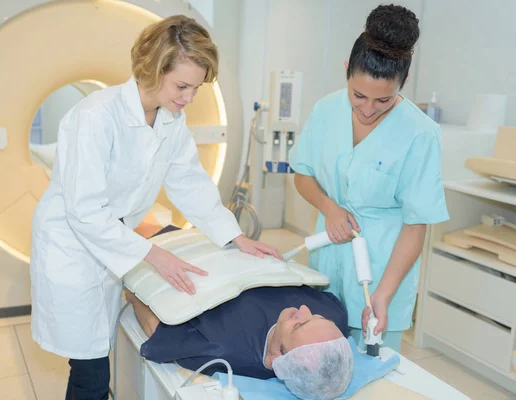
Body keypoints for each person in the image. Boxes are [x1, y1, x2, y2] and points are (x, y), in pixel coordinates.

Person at [29, 15, 281, 400]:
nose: (188, 98)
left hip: (113, 245)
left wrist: (235, 237)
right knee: (90, 367)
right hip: (72, 247)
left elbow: (190, 183)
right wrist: (154, 255)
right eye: (182, 86)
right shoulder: (95, 117)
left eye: (195, 88)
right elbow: (85, 213)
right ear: (152, 68)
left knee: (96, 354)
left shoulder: (170, 120)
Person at [290, 4, 449, 352]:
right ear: (347, 71)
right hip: (328, 263)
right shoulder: (325, 110)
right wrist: (329, 207)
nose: (367, 109)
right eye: (358, 95)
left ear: (402, 84)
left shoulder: (420, 134)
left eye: (384, 100)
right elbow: (302, 175)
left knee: (376, 369)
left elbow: (416, 224)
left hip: (382, 274)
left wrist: (384, 293)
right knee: (322, 361)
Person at [126, 284, 353, 400]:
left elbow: (158, 331)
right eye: (317, 317)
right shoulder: (336, 318)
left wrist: (134, 294)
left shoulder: (220, 347)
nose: (305, 310)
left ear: (276, 358)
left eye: (298, 324)